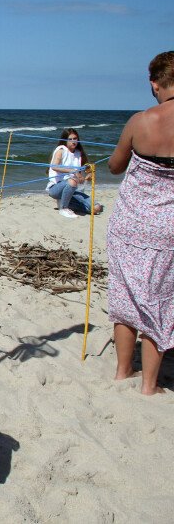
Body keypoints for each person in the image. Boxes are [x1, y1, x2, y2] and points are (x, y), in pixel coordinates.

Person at [108, 50, 174, 395]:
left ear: (155, 83)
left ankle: (123, 372)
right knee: (159, 300)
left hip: (130, 221)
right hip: (168, 227)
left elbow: (115, 166)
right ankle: (150, 385)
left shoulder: (139, 121)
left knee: (125, 295)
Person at [46, 128, 103, 218]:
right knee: (72, 181)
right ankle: (63, 208)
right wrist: (73, 171)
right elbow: (54, 166)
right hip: (56, 188)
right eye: (70, 139)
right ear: (65, 140)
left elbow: (88, 168)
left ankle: (65, 203)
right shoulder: (61, 150)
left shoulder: (78, 153)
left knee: (97, 208)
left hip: (73, 191)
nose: (73, 141)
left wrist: (90, 174)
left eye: (75, 138)